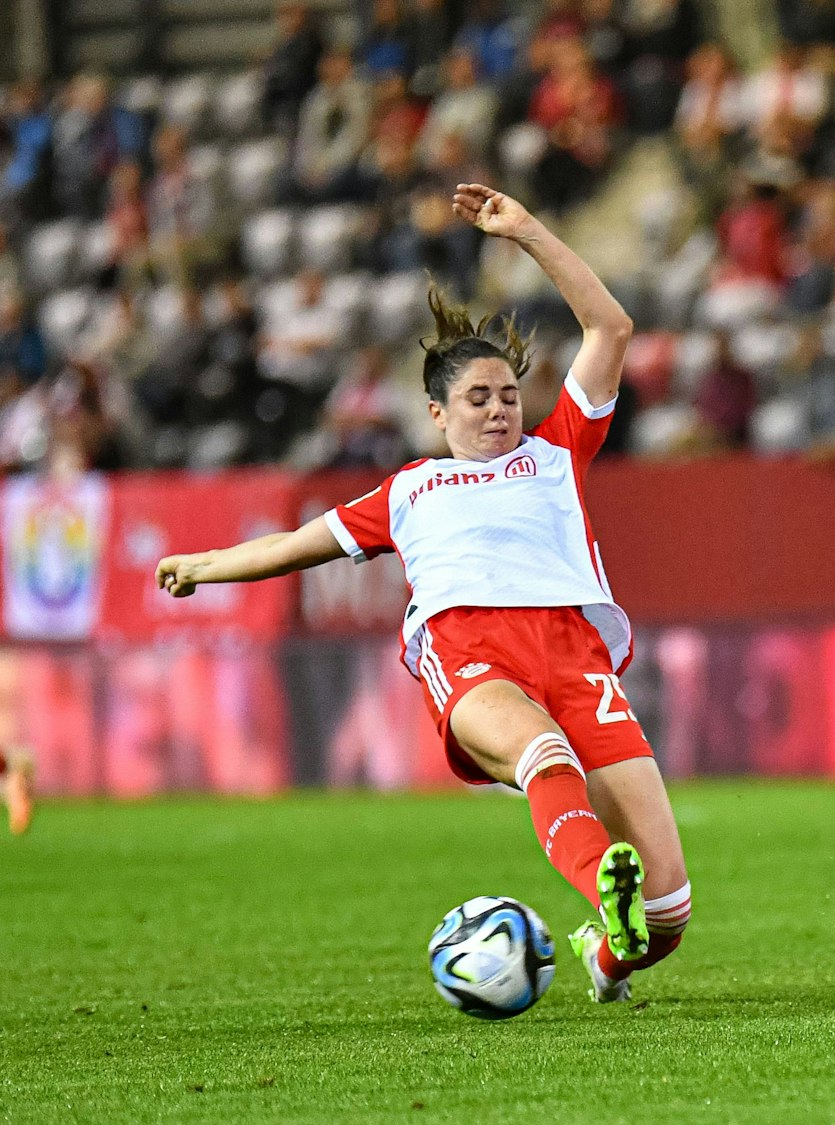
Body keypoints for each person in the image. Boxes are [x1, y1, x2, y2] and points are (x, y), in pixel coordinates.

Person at [153, 185, 690, 1004]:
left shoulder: (558, 453)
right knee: (542, 754)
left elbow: (610, 327)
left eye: (509, 394)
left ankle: (609, 951)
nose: (500, 410)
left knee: (668, 914)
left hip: (576, 654)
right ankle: (599, 892)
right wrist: (205, 564)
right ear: (438, 412)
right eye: (478, 399)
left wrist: (527, 233)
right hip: (470, 651)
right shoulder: (408, 491)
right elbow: (295, 547)